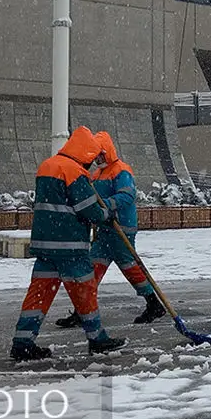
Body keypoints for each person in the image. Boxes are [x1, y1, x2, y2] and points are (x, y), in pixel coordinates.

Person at [9, 126, 127, 361]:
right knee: (85, 291)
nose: (91, 164)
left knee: (39, 294)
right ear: (85, 152)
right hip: (70, 245)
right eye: (91, 159)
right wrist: (106, 216)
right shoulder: (74, 171)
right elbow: (87, 209)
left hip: (45, 244)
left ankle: (22, 343)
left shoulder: (48, 165)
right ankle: (97, 339)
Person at [55, 130, 165, 328]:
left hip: (120, 228)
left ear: (107, 152)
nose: (96, 159)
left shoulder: (121, 170)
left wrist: (104, 205)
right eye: (94, 155)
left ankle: (153, 303)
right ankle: (84, 310)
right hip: (105, 228)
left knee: (129, 268)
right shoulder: (97, 174)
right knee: (92, 270)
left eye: (99, 155)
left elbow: (127, 196)